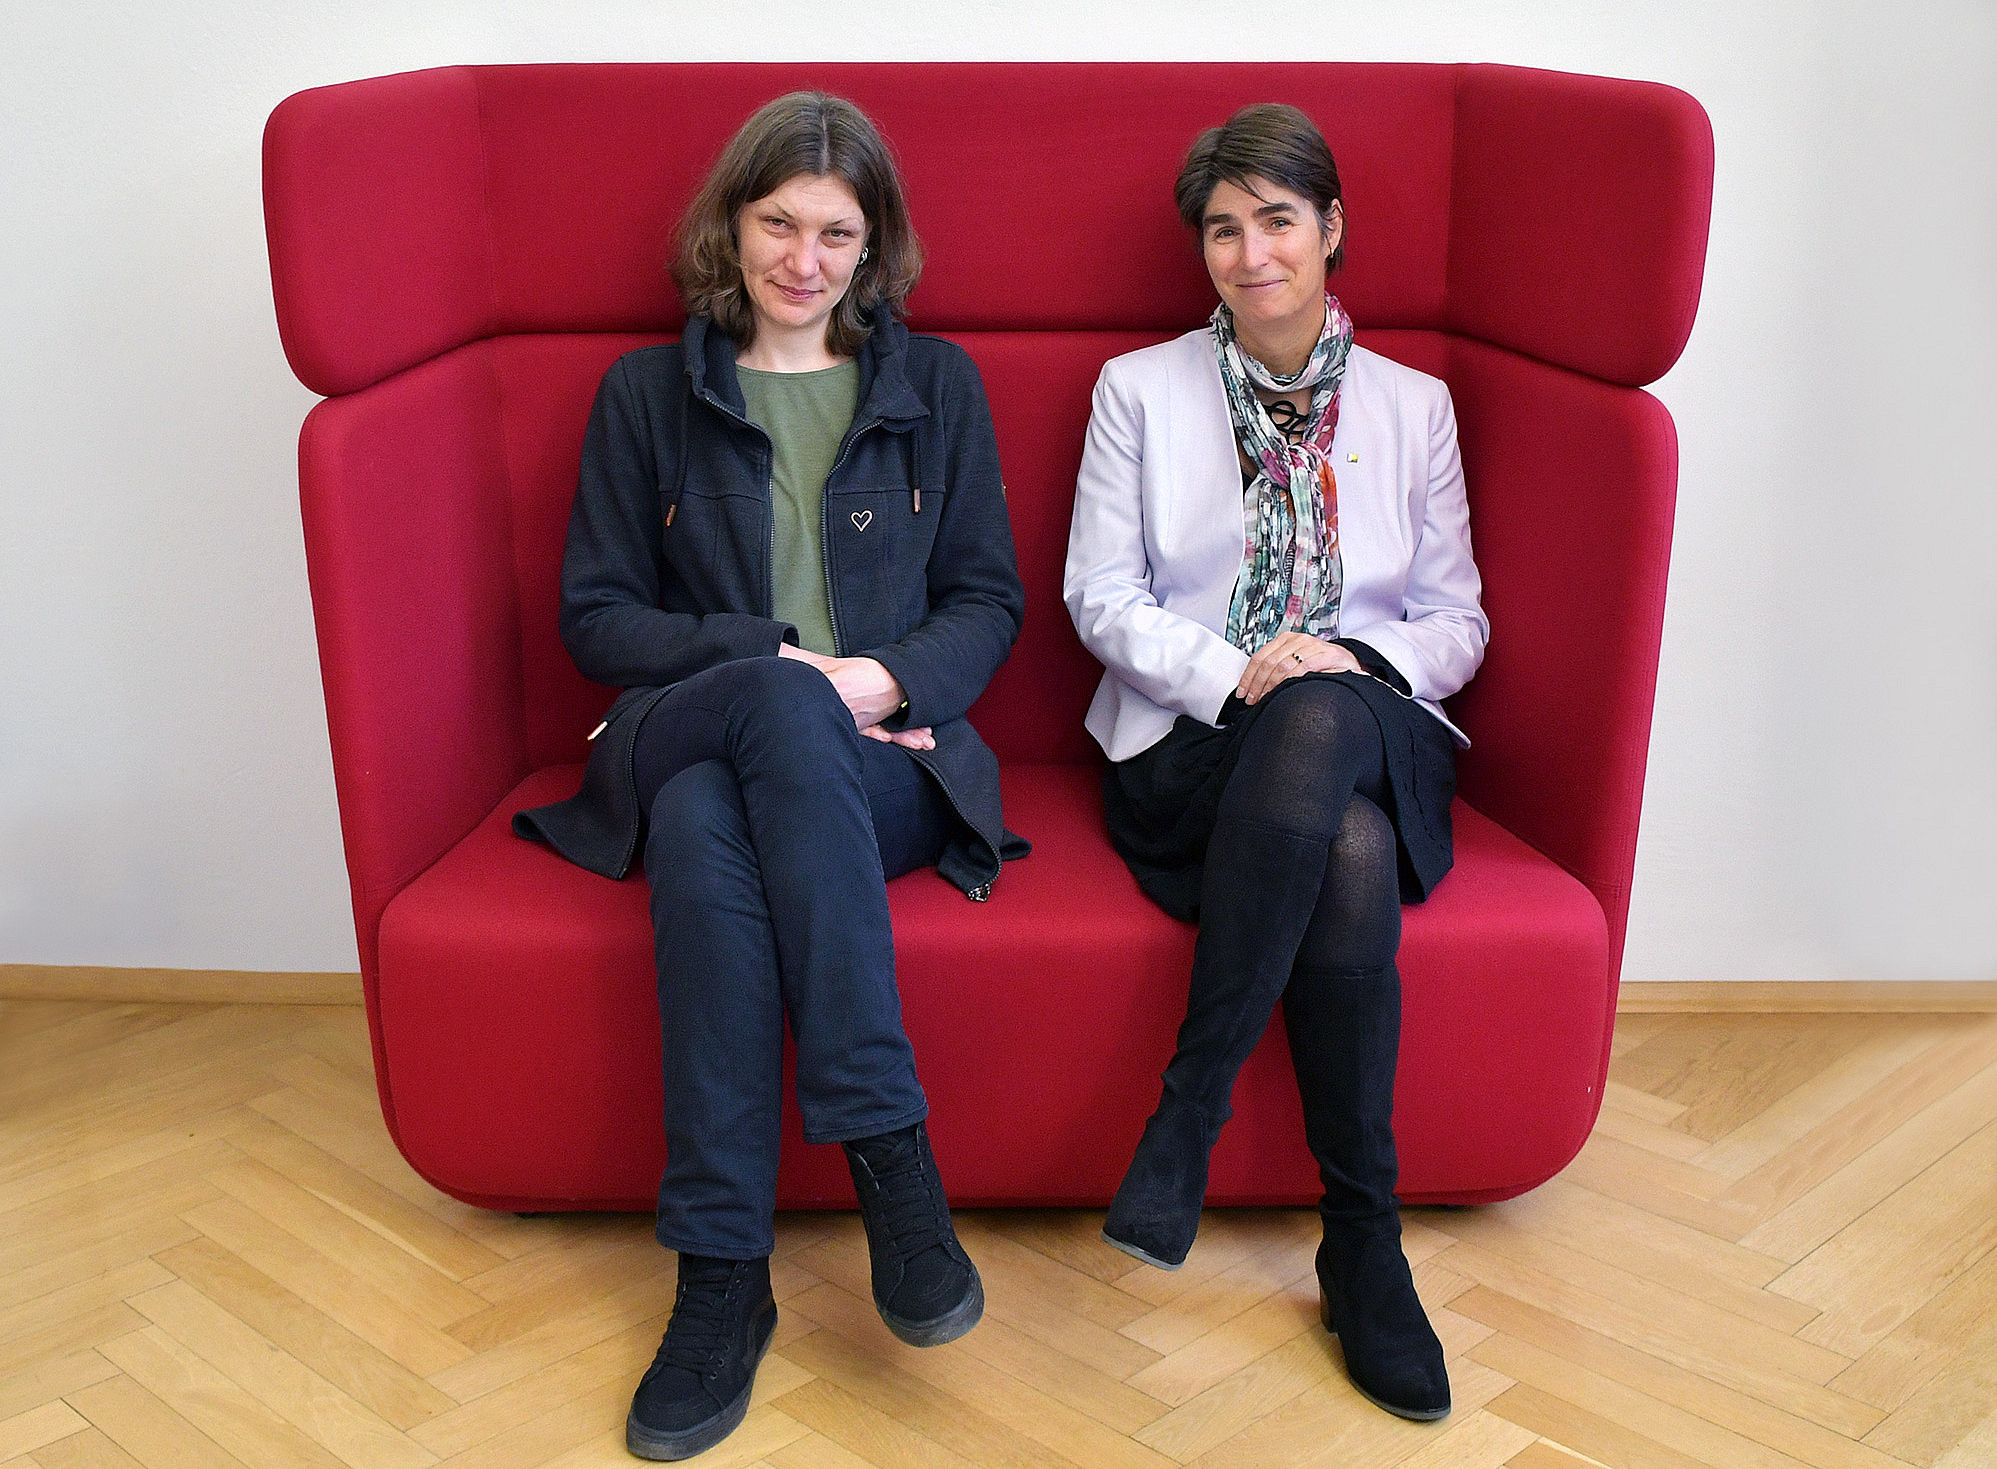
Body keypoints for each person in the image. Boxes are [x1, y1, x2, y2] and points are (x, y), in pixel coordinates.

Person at [513, 92, 1027, 1461]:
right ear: (729, 225)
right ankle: (892, 1168)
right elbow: (597, 620)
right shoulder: (645, 395)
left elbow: (986, 602)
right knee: (752, 729)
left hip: (889, 766)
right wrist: (783, 661)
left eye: (837, 232)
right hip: (705, 718)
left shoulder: (939, 390)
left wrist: (876, 681)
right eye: (778, 223)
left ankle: (718, 1278)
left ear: (876, 247)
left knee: (701, 821)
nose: (804, 258)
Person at [1063, 103, 1487, 1422]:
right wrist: (1237, 667)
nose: (1250, 254)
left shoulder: (1414, 408)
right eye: (1223, 229)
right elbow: (1101, 597)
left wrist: (1343, 667)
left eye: (1277, 222)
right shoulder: (1138, 390)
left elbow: (1456, 620)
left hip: (1361, 718)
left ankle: (1187, 1111)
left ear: (1331, 230)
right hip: (1191, 744)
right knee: (1342, 839)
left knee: (1323, 710)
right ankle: (1363, 1240)